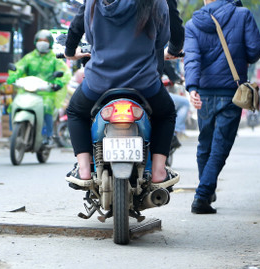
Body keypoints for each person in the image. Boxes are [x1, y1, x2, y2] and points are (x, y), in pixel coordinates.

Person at [64, 0, 179, 189]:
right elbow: (161, 40)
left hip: (99, 83)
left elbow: (87, 35)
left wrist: (70, 51)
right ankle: (159, 171)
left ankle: (84, 169)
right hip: (144, 84)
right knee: (166, 114)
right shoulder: (156, 2)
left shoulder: (94, 2)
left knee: (76, 112)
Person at [184, 0, 260, 214]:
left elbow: (192, 58)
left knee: (205, 143)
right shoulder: (242, 15)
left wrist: (192, 88)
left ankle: (206, 190)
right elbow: (255, 50)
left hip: (204, 93)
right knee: (220, 147)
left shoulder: (193, 24)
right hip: (232, 92)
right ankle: (202, 195)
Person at [7, 30, 71, 145]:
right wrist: (13, 76)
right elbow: (19, 68)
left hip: (46, 93)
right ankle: (13, 134)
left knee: (46, 107)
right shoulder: (29, 57)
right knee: (13, 105)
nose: (42, 43)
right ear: (35, 42)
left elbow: (64, 72)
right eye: (40, 40)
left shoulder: (55, 59)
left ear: (50, 43)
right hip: (27, 91)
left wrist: (58, 82)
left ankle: (48, 135)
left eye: (45, 41)